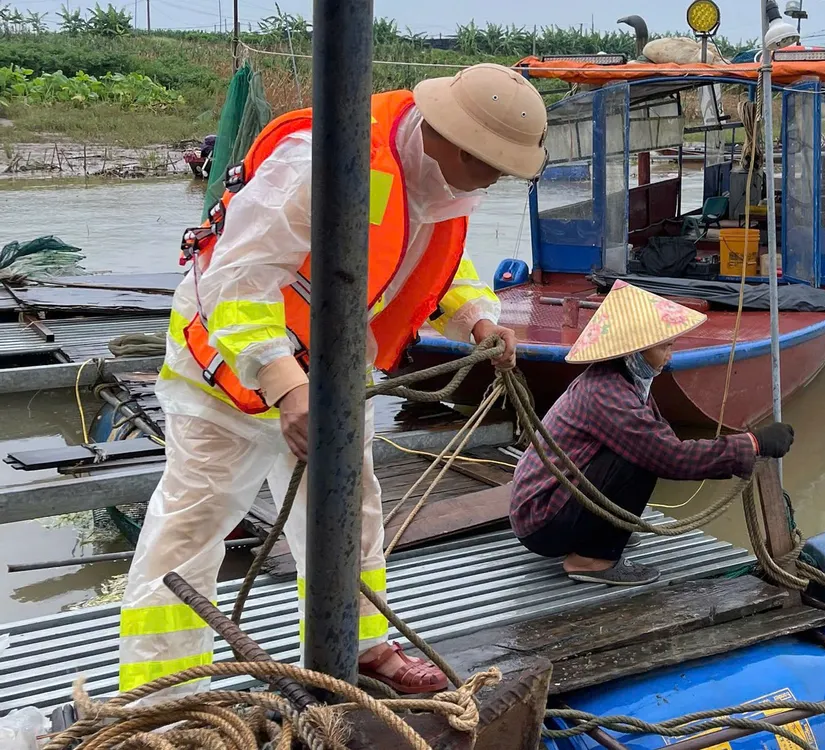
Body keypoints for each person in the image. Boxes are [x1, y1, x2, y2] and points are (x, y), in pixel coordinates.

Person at [119, 63, 547, 698]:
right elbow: (238, 277)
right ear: (449, 138)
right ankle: (161, 694)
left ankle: (364, 646)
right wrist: (286, 385)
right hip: (228, 374)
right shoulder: (321, 159)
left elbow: (433, 266)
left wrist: (480, 321)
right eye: (487, 164)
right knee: (190, 530)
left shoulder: (438, 187)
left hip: (330, 379)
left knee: (352, 512)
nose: (490, 180)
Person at [509, 281, 796, 586]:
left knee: (643, 448)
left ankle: (598, 532)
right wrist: (752, 444)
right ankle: (591, 558)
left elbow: (661, 438)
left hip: (548, 505)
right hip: (541, 520)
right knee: (643, 459)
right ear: (634, 350)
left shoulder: (622, 380)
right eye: (664, 347)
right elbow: (670, 457)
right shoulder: (607, 394)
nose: (669, 356)